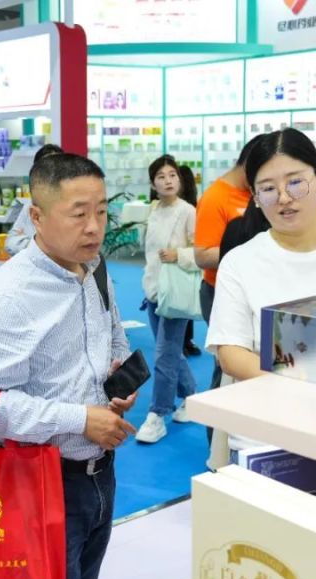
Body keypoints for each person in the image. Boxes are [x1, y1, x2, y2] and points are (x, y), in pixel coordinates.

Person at [0, 152, 138, 579]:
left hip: (101, 474)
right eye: (78, 213)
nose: (95, 227)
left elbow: (114, 337)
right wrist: (81, 419)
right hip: (41, 483)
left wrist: (117, 381)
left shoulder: (94, 268)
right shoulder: (7, 297)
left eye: (101, 211)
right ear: (37, 217)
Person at [206, 128, 316, 382]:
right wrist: (301, 383)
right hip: (269, 399)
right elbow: (231, 353)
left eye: (295, 183)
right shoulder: (239, 262)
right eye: (268, 188)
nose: (283, 198)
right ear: (255, 197)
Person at [137, 155, 199, 444]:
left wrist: (179, 255)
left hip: (175, 292)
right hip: (153, 290)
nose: (168, 180)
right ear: (153, 184)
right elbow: (150, 253)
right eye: (161, 176)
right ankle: (190, 395)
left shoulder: (188, 211)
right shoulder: (153, 210)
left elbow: (201, 251)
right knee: (171, 351)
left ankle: (158, 414)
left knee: (164, 353)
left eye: (172, 175)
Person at [193, 139, 256, 405]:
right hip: (219, 291)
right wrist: (248, 250)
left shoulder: (255, 192)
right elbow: (202, 255)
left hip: (253, 291)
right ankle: (216, 428)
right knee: (227, 368)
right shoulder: (216, 197)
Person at [6, 143, 64, 255]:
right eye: (45, 168)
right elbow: (10, 243)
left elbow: (72, 247)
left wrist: (27, 241)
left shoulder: (72, 204)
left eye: (56, 166)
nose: (51, 172)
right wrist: (37, 246)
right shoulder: (31, 203)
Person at [177, 164, 201, 357]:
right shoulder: (191, 205)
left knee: (183, 301)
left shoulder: (188, 208)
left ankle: (184, 341)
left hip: (184, 258)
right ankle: (185, 341)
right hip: (183, 259)